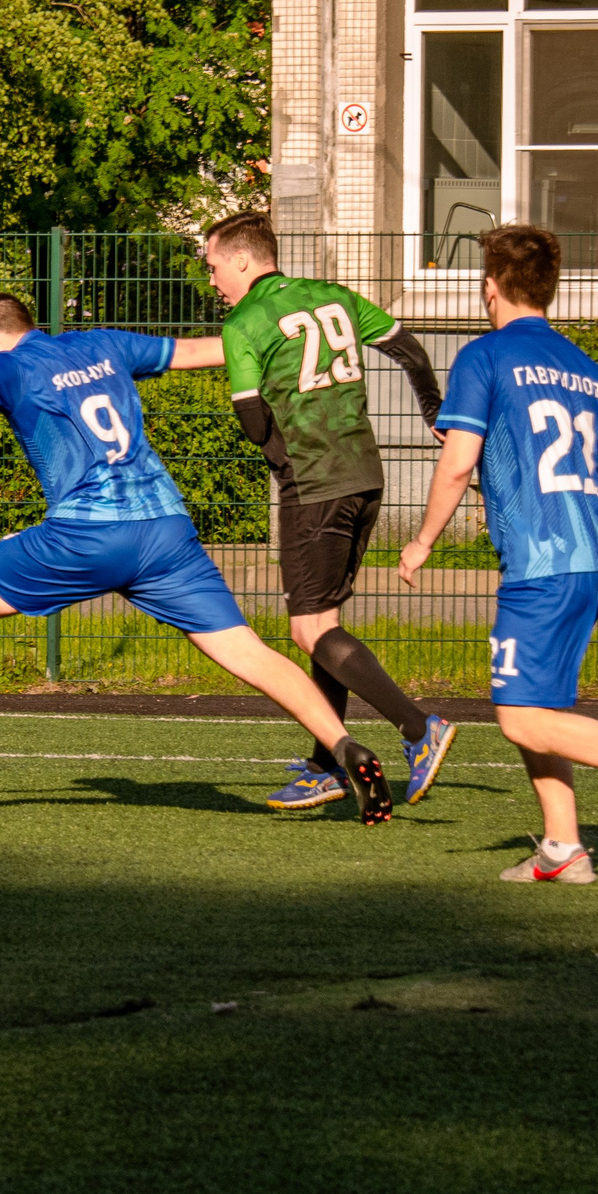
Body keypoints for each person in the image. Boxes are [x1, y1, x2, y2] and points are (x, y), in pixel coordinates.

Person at [0, 291, 394, 819]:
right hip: (167, 532)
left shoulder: (10, 365)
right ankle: (345, 747)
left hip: (90, 533)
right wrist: (286, 342)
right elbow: (205, 349)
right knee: (245, 649)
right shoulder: (104, 343)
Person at [398, 224, 598, 883]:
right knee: (544, 706)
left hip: (543, 561)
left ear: (490, 287)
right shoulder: (586, 368)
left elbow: (457, 466)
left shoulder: (483, 357)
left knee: (519, 714)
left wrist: (422, 540)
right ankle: (564, 848)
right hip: (596, 555)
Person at [198, 211, 459, 809]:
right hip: (365, 472)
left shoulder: (244, 322)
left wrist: (285, 463)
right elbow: (410, 350)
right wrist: (431, 411)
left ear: (243, 259)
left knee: (308, 629)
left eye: (214, 267)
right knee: (325, 624)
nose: (213, 281)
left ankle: (419, 728)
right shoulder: (332, 296)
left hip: (315, 483)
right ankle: (326, 764)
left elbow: (252, 419)